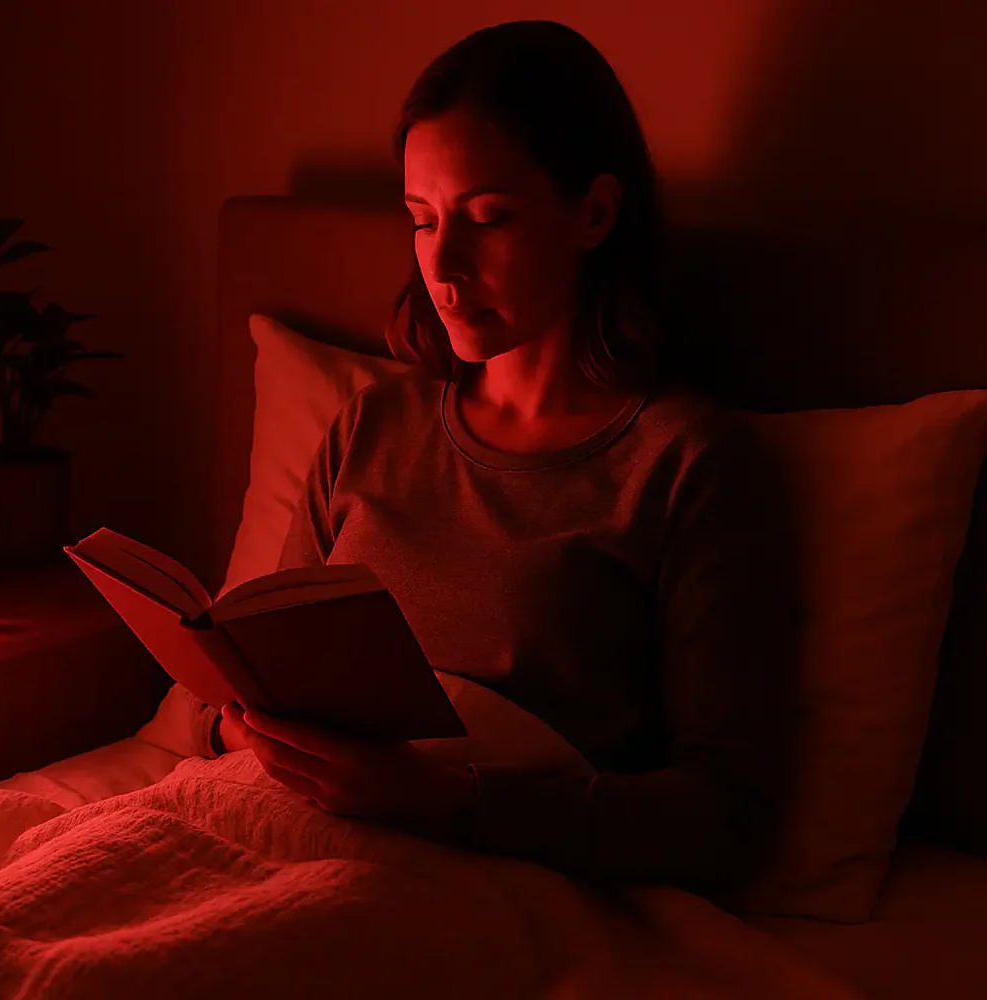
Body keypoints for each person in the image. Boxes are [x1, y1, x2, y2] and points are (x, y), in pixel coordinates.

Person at [165, 20, 796, 903]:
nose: (443, 266)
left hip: (468, 881)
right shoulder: (372, 427)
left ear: (595, 214)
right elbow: (242, 683)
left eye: (487, 218)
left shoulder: (685, 464)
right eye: (422, 222)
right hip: (272, 822)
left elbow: (725, 818)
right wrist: (242, 734)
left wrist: (445, 801)